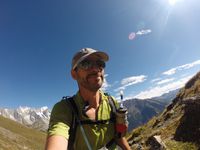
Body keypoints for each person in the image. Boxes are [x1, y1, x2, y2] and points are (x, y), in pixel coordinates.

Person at [45, 48, 131, 150]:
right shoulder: (65, 109)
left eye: (100, 64)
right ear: (74, 74)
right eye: (86, 64)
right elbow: (57, 136)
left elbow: (119, 137)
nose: (95, 69)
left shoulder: (111, 102)